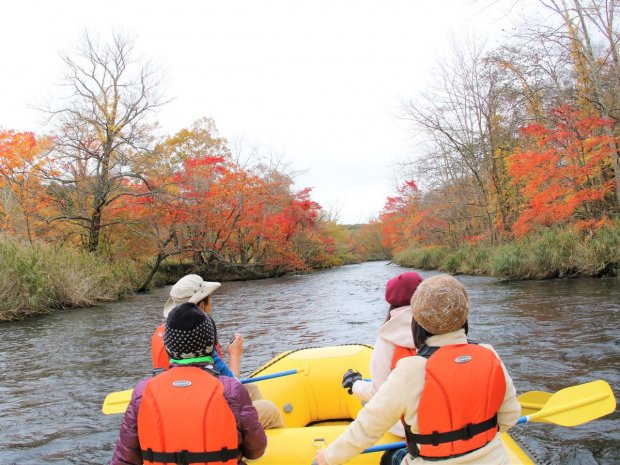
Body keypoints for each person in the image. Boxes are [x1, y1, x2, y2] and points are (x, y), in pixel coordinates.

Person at [317, 274, 521, 465]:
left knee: (390, 457)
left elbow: (367, 428)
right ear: (463, 316)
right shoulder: (489, 353)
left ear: (418, 320)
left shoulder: (410, 370)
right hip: (495, 458)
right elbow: (510, 416)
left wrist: (327, 457)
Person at [110, 302, 267, 465]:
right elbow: (256, 450)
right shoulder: (231, 389)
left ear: (169, 347)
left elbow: (123, 460)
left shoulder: (142, 392)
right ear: (210, 346)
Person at [151, 274, 285, 429]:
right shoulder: (201, 339)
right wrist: (234, 355)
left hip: (180, 404)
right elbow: (232, 384)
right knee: (270, 410)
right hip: (207, 412)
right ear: (201, 306)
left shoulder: (169, 335)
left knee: (252, 389)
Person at [341, 271, 423, 438]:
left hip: (404, 430)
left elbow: (380, 393)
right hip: (441, 422)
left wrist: (355, 384)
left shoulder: (387, 338)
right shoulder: (440, 328)